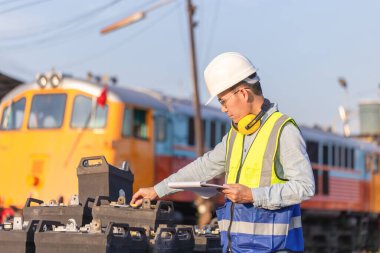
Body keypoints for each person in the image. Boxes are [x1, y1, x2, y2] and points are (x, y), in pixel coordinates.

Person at [130, 52, 315, 252]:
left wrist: (252, 195)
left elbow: (305, 187)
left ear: (243, 93)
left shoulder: (283, 130)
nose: (223, 109)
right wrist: (157, 190)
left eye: (223, 101)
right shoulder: (236, 135)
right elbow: (204, 167)